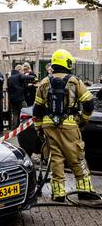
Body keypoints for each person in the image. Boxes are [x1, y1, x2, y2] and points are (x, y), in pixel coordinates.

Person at [33, 49, 96, 202]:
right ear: (67, 62)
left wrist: (39, 128)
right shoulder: (74, 81)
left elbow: (37, 110)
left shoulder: (44, 82)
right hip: (69, 125)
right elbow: (89, 103)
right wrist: (83, 120)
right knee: (77, 157)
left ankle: (58, 193)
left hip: (49, 126)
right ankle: (85, 190)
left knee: (56, 159)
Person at [7, 64, 35, 129]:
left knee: (15, 114)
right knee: (26, 111)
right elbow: (28, 77)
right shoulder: (19, 75)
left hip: (12, 99)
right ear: (19, 70)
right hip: (20, 98)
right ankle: (26, 127)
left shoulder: (10, 78)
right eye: (22, 70)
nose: (23, 72)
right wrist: (33, 77)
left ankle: (14, 128)